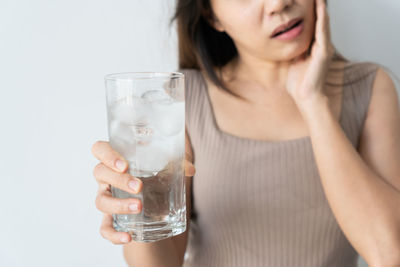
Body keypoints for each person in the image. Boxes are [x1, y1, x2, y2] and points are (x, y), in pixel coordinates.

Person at [91, 0, 400, 266]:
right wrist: (136, 205)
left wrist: (312, 101)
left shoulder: (370, 87)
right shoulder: (179, 100)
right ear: (212, 16)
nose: (279, 4)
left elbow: (389, 253)